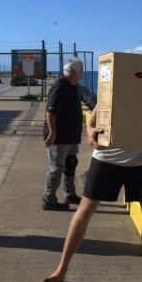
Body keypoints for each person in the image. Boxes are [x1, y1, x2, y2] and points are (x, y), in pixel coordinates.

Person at [40, 26, 142, 282]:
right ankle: (61, 269)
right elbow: (104, 102)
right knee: (85, 210)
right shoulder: (134, 71)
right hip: (109, 157)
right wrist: (90, 129)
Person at [42, 57, 84, 211]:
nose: (82, 75)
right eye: (80, 72)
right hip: (60, 138)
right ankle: (49, 199)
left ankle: (69, 193)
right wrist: (52, 132)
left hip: (71, 136)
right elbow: (50, 113)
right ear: (73, 72)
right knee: (56, 168)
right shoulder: (60, 86)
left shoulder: (73, 86)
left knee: (71, 164)